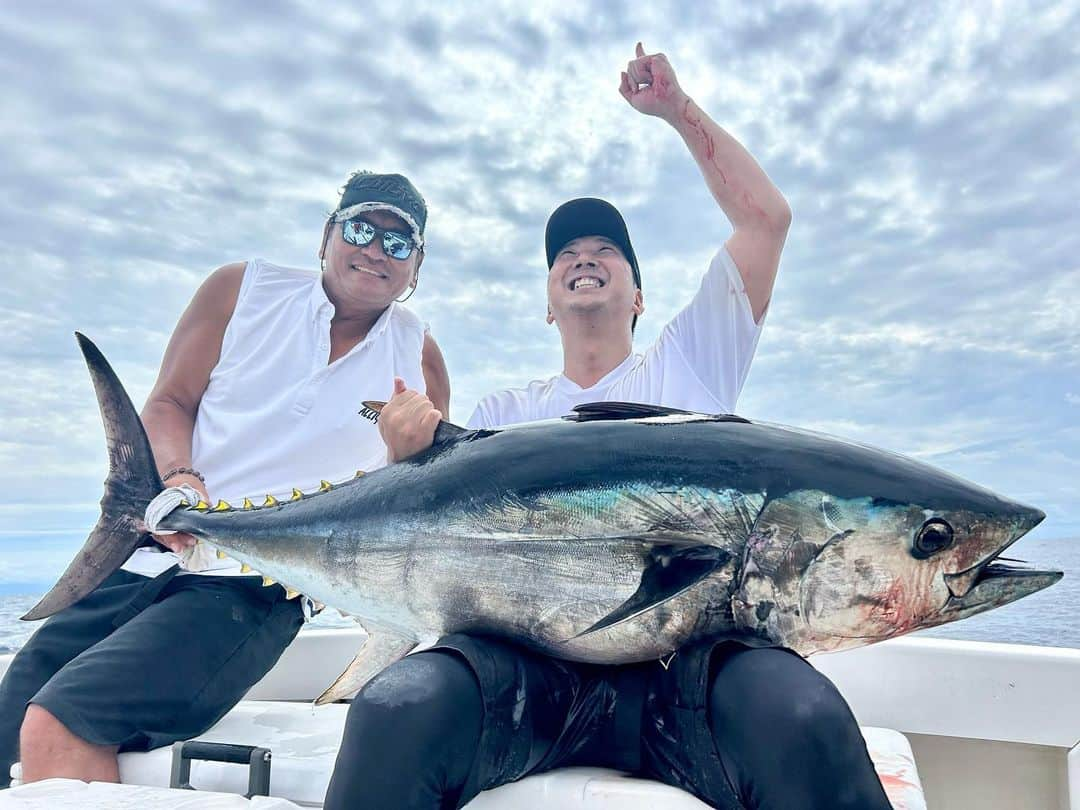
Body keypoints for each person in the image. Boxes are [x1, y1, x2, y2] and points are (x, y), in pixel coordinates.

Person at [323, 47, 892, 810]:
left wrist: (678, 111)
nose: (584, 260)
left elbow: (767, 220)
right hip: (526, 678)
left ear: (638, 296)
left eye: (606, 254)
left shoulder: (692, 366)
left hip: (685, 675)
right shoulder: (499, 419)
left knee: (803, 713)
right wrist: (403, 462)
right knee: (394, 711)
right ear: (548, 301)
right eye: (566, 255)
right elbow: (428, 549)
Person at [0, 171, 449, 787]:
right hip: (147, 553)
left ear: (415, 267)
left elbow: (420, 499)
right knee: (4, 732)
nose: (375, 251)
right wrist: (181, 479)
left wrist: (407, 450)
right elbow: (170, 403)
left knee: (62, 722)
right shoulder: (242, 290)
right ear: (327, 234)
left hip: (258, 590)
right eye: (362, 228)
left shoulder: (418, 354)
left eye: (399, 244)